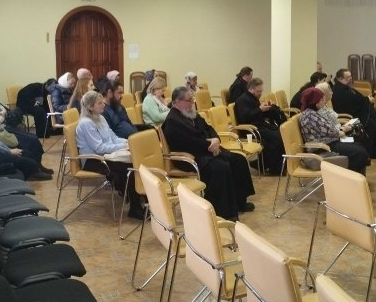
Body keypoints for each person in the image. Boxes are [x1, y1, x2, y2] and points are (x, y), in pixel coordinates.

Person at [162, 86, 256, 221]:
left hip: (205, 149)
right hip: (189, 157)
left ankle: (239, 202)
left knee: (238, 160)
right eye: (189, 100)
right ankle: (222, 212)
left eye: (192, 99)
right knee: (220, 167)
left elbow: (209, 128)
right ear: (177, 101)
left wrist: (216, 139)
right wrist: (210, 146)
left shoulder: (191, 113)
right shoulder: (173, 121)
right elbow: (188, 142)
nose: (192, 103)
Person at [75, 91, 145, 220]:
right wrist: (124, 147)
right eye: (100, 103)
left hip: (105, 155)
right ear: (90, 107)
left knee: (134, 162)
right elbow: (99, 148)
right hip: (93, 160)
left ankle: (137, 198)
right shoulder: (86, 123)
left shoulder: (100, 118)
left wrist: (128, 142)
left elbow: (113, 138)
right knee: (128, 167)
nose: (104, 105)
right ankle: (135, 207)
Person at [299, 86, 369, 175]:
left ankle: (355, 178)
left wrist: (340, 130)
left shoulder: (312, 113)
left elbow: (328, 128)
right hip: (323, 147)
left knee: (359, 146)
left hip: (328, 142)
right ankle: (350, 178)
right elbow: (332, 131)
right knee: (360, 153)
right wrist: (342, 130)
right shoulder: (310, 116)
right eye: (321, 99)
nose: (324, 101)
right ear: (315, 102)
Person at [331, 69, 376, 159]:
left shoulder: (345, 88)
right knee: (371, 124)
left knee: (373, 121)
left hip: (354, 114)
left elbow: (357, 100)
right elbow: (352, 103)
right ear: (339, 78)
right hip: (349, 117)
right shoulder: (339, 90)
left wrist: (366, 99)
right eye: (347, 77)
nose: (350, 79)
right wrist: (367, 100)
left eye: (351, 76)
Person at [234, 77, 285, 175]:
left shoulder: (254, 98)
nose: (260, 93)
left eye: (261, 91)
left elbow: (257, 113)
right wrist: (260, 109)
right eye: (258, 91)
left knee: (281, 133)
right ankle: (274, 168)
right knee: (276, 138)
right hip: (250, 129)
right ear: (251, 89)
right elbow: (245, 117)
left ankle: (267, 164)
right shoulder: (242, 100)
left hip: (259, 125)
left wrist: (268, 107)